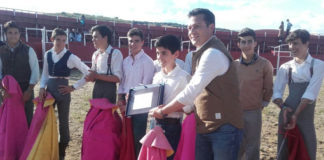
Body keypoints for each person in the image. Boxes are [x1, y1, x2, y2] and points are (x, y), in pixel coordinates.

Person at [149, 8, 243, 160]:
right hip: (207, 125)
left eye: (197, 26)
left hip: (223, 127)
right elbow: (196, 95)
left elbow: (192, 90)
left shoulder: (212, 53)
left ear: (211, 27)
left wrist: (164, 111)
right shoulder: (202, 53)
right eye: (189, 27)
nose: (192, 31)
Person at [273, 29, 324, 160]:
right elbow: (277, 91)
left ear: (307, 43)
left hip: (305, 115)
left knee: (307, 147)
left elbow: (310, 93)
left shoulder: (318, 65)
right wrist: (283, 108)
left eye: (296, 43)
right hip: (287, 113)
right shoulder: (285, 67)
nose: (292, 47)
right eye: (290, 44)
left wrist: (296, 114)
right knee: (285, 150)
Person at [39, 28, 89, 160]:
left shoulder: (71, 57)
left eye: (63, 40)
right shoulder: (48, 54)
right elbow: (45, 74)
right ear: (52, 39)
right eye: (58, 40)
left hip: (63, 91)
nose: (61, 43)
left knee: (63, 122)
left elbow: (88, 73)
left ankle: (62, 151)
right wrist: (42, 87)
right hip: (49, 91)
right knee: (46, 120)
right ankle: (47, 146)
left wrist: (73, 87)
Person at [150, 35, 194, 160]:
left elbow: (189, 108)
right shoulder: (157, 76)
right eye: (158, 53)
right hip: (155, 124)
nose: (159, 57)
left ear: (176, 54)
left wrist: (168, 109)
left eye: (164, 53)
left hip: (172, 127)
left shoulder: (184, 77)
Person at [235, 28, 273, 160]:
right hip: (235, 112)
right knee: (237, 143)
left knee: (252, 145)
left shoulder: (265, 64)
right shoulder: (233, 66)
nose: (247, 45)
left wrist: (262, 104)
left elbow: (268, 87)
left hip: (254, 111)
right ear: (238, 44)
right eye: (243, 42)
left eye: (249, 41)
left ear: (255, 43)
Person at [117, 28, 155, 158]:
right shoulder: (125, 61)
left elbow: (146, 87)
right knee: (126, 135)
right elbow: (122, 83)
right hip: (125, 104)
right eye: (130, 41)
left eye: (136, 41)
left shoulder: (147, 61)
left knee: (137, 136)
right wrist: (120, 99)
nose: (133, 44)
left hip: (140, 105)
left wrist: (129, 102)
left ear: (142, 42)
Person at [0, 21, 40, 126]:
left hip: (25, 90)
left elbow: (35, 72)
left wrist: (29, 91)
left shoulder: (29, 50)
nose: (13, 35)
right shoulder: (0, 51)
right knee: (8, 122)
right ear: (5, 34)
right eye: (10, 32)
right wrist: (3, 90)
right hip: (7, 92)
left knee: (27, 121)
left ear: (20, 34)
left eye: (16, 32)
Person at [85, 25, 123, 105]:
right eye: (92, 37)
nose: (93, 40)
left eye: (95, 37)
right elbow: (93, 76)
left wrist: (97, 76)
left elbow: (117, 78)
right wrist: (90, 77)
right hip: (97, 89)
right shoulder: (95, 54)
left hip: (109, 91)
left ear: (105, 38)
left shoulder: (115, 53)